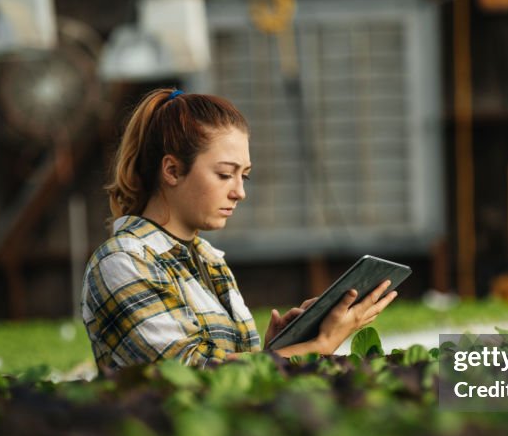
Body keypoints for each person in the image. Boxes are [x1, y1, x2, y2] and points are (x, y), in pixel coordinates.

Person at [80, 88, 398, 369]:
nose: (239, 192)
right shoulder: (122, 262)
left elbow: (233, 377)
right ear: (172, 170)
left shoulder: (208, 260)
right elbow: (189, 377)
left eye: (243, 176)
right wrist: (318, 347)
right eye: (224, 174)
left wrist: (278, 349)